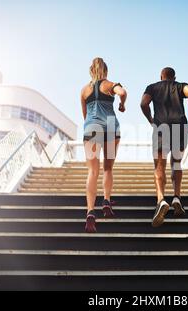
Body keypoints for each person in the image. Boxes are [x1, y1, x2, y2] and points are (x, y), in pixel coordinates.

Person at [140, 67, 188, 227]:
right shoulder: (180, 86)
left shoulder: (152, 87)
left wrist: (150, 119)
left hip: (161, 126)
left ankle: (161, 199)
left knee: (160, 164)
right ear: (174, 77)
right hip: (180, 125)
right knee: (177, 163)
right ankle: (176, 197)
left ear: (161, 76)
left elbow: (143, 103)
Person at [81, 57, 127, 233]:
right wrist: (122, 105)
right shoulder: (110, 85)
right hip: (110, 125)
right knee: (108, 168)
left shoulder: (84, 90)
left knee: (93, 171)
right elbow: (122, 92)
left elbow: (84, 115)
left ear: (91, 70)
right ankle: (106, 201)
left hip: (91, 126)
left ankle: (90, 212)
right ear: (105, 70)